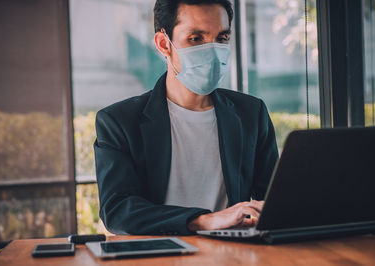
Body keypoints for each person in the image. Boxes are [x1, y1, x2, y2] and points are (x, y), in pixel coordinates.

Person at [94, 0, 278, 235]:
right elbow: (118, 211)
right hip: (159, 255)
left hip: (234, 254)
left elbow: (275, 201)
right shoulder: (118, 122)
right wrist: (203, 220)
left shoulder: (251, 113)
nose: (212, 50)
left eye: (221, 38)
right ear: (164, 44)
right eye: (196, 39)